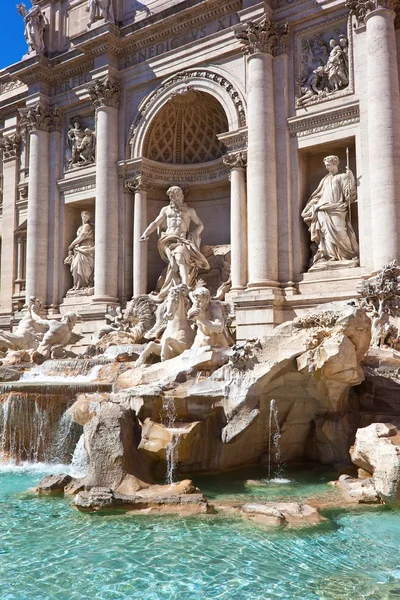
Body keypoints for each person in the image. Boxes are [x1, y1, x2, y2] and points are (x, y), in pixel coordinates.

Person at [140, 186, 209, 299]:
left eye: (177, 195)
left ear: (182, 195)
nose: (175, 198)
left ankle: (184, 285)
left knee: (179, 258)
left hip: (181, 240)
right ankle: (176, 286)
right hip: (167, 239)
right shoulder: (166, 210)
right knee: (173, 264)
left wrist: (193, 235)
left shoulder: (189, 211)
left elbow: (200, 225)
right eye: (172, 196)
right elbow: (155, 223)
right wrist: (146, 233)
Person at [301, 155, 358, 267]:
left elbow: (349, 196)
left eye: (328, 165)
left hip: (337, 209)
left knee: (341, 231)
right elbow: (318, 196)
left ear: (335, 163)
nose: (327, 167)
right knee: (326, 234)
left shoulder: (343, 177)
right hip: (322, 209)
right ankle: (330, 256)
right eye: (326, 165)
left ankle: (347, 255)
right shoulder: (325, 180)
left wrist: (351, 179)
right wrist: (308, 207)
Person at [64, 211, 95, 291]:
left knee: (85, 268)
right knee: (76, 266)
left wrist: (71, 245)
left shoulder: (87, 226)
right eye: (84, 216)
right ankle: (77, 286)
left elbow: (81, 237)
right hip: (79, 248)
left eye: (87, 217)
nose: (85, 218)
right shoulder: (81, 226)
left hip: (86, 246)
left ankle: (84, 285)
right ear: (81, 217)